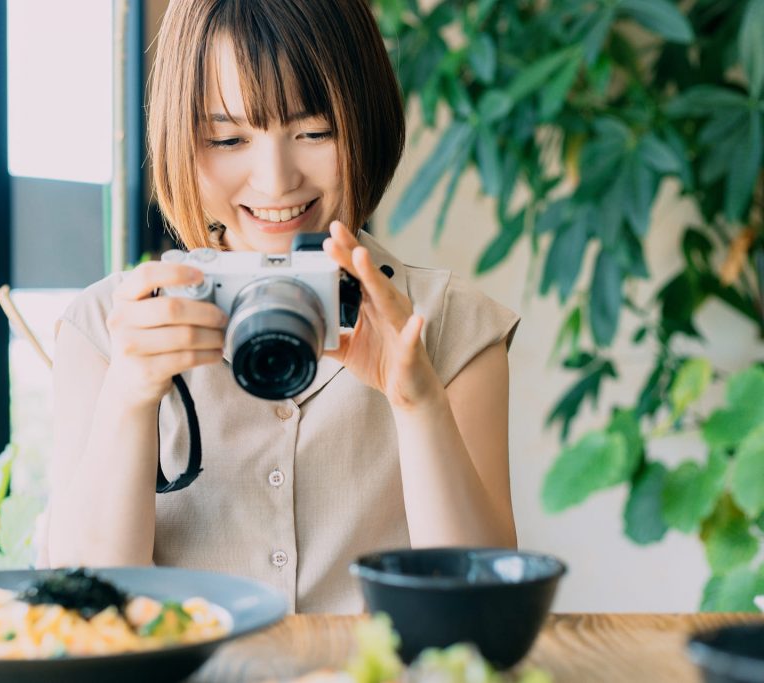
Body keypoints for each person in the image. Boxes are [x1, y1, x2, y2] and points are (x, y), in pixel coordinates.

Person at [46, 0, 520, 614]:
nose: (275, 181)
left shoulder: (451, 323)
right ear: (179, 138)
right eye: (228, 137)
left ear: (365, 122)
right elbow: (87, 611)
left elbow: (481, 606)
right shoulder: (108, 328)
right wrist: (128, 395)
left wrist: (417, 402)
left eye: (315, 131)